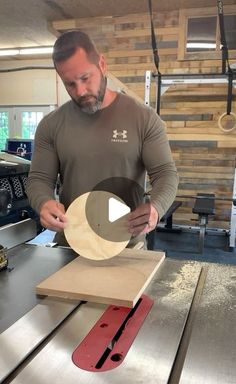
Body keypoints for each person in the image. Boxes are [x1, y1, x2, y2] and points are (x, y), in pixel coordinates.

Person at [26, 30, 178, 247]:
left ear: (102, 65)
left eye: (85, 78)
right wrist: (44, 202)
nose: (80, 91)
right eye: (70, 84)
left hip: (125, 243)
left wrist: (156, 206)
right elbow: (39, 179)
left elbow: (166, 174)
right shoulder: (51, 125)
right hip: (71, 244)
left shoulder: (143, 118)